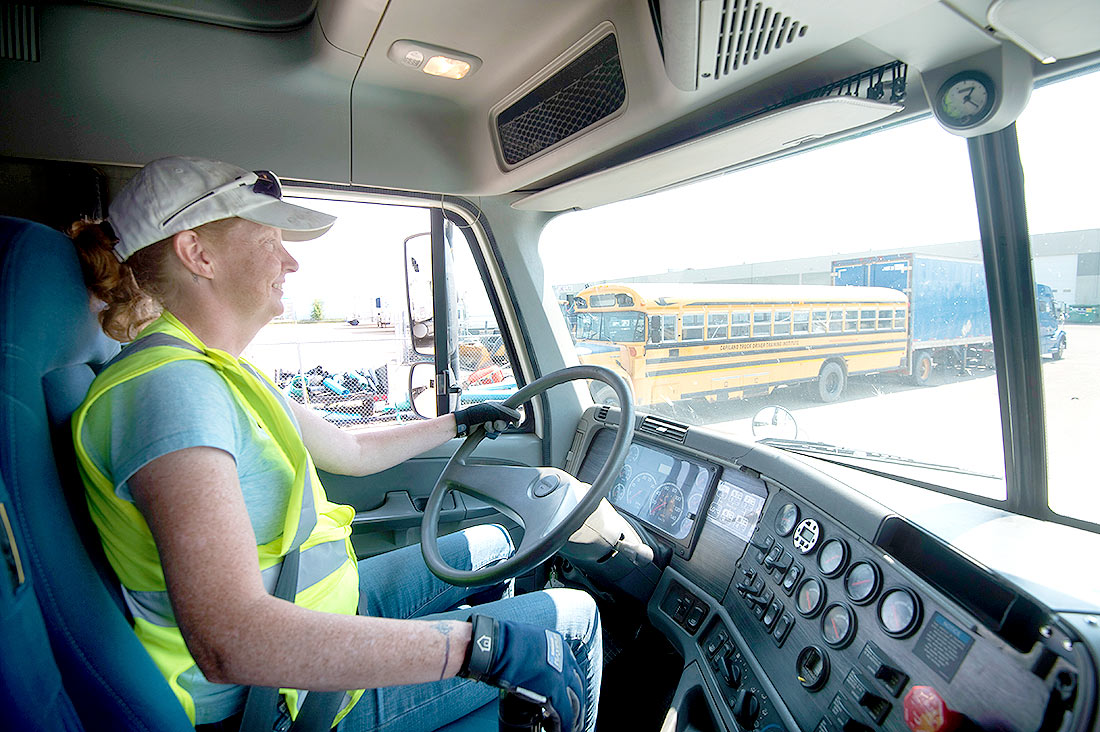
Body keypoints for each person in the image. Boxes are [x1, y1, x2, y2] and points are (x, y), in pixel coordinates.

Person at [69, 156, 602, 732]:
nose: (291, 261)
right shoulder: (169, 391)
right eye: (271, 239)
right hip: (278, 696)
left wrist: (456, 422)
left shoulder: (217, 371)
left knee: (496, 541)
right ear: (198, 253)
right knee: (573, 619)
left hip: (316, 606)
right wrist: (474, 648)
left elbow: (349, 450)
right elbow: (229, 639)